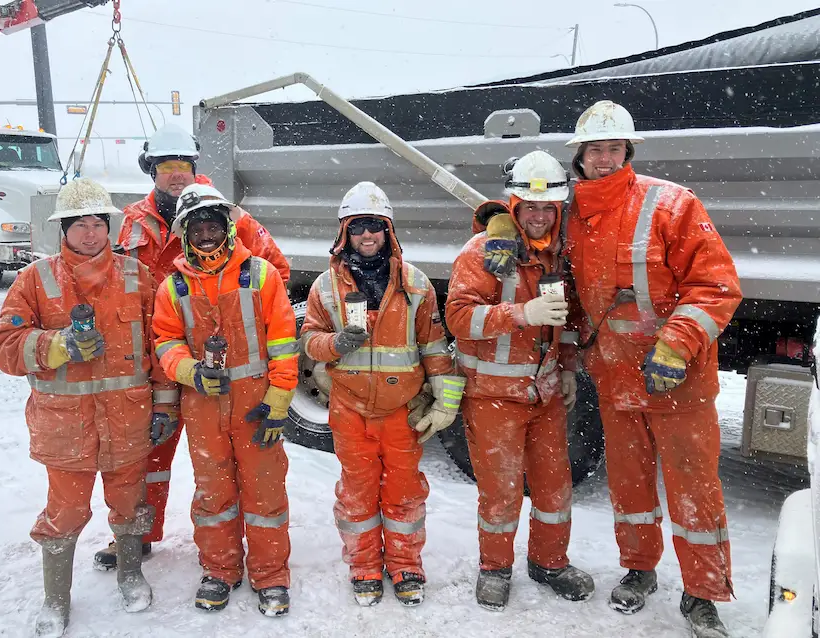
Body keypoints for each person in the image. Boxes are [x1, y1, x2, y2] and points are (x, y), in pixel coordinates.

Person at [564, 100, 741, 637]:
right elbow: (524, 217)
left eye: (613, 148)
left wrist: (674, 346)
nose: (603, 158)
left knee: (694, 487)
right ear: (579, 156)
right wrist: (498, 219)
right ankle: (639, 570)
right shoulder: (570, 211)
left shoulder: (671, 203)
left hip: (676, 378)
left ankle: (702, 594)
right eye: (594, 149)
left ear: (628, 151)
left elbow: (716, 285)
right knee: (630, 483)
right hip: (616, 378)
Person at [94, 125, 291, 570]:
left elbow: (274, 269)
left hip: (227, 362)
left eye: (184, 166)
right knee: (149, 452)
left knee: (234, 463)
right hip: (158, 356)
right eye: (167, 167)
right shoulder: (132, 221)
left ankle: (253, 553)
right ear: (152, 171)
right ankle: (136, 534)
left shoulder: (228, 215)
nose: (176, 175)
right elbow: (111, 282)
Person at [0, 179, 159, 637]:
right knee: (64, 513)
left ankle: (129, 573)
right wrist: (57, 345)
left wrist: (162, 405)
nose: (90, 234)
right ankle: (56, 598)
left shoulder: (137, 277)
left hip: (128, 418)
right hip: (67, 428)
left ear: (109, 228)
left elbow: (162, 345)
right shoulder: (35, 279)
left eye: (97, 224)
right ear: (62, 229)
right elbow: (4, 346)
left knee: (130, 504)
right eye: (80, 225)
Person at [299, 181, 464, 607]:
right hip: (349, 410)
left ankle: (406, 565)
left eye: (375, 226)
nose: (367, 236)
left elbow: (433, 346)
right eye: (359, 228)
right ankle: (365, 567)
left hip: (401, 412)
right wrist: (336, 344)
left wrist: (445, 404)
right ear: (345, 234)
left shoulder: (417, 284)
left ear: (388, 231)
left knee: (404, 491)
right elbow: (310, 341)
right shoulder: (323, 287)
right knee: (358, 492)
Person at [445, 151, 594, 611]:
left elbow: (568, 322)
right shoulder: (481, 252)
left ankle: (549, 562)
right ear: (513, 206)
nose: (539, 215)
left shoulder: (558, 256)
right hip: (492, 397)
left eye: (548, 207)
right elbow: (458, 317)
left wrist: (567, 370)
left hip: (544, 395)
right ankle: (495, 568)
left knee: (554, 487)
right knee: (501, 491)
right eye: (530, 207)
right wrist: (519, 314)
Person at [151, 186, 299, 616]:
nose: (206, 233)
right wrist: (190, 372)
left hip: (257, 402)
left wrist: (277, 400)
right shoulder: (173, 287)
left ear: (228, 227)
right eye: (197, 226)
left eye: (213, 224)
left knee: (264, 490)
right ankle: (220, 570)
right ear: (184, 233)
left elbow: (285, 343)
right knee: (213, 492)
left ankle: (270, 575)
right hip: (203, 402)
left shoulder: (263, 275)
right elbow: (165, 341)